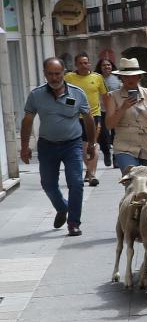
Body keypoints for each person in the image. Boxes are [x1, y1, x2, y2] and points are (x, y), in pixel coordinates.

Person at [18, 57, 97, 237]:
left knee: (76, 183)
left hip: (73, 145)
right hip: (47, 146)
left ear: (64, 73)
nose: (55, 78)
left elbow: (89, 119)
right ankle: (62, 207)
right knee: (48, 184)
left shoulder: (77, 93)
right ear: (45, 74)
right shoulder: (36, 95)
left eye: (58, 73)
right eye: (50, 74)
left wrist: (91, 144)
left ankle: (73, 223)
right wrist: (24, 147)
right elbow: (27, 121)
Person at [106, 58, 147, 172]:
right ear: (120, 77)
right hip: (124, 147)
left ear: (139, 77)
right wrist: (122, 108)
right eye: (126, 76)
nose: (130, 79)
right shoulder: (113, 96)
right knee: (133, 179)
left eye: (133, 76)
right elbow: (109, 125)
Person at [66, 53, 107, 186]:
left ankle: (91, 174)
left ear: (89, 64)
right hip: (76, 117)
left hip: (94, 115)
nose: (84, 66)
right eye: (81, 63)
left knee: (93, 144)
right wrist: (72, 106)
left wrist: (109, 113)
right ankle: (89, 171)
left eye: (86, 63)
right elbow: (65, 96)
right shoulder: (69, 77)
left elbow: (105, 96)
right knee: (83, 147)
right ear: (76, 65)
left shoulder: (97, 77)